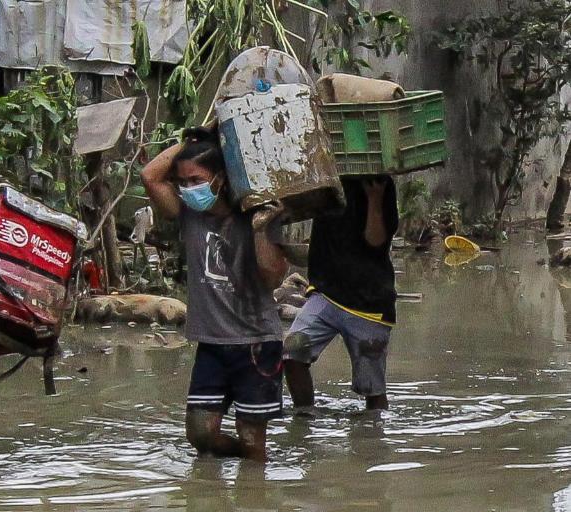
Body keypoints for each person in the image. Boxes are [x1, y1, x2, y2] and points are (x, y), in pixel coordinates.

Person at [141, 127, 289, 462]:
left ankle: (253, 480)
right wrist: (198, 141)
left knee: (252, 438)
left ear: (220, 178)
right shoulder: (189, 215)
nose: (188, 189)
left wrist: (262, 228)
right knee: (200, 434)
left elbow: (271, 277)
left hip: (255, 344)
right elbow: (149, 175)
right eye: (183, 182)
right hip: (211, 343)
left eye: (196, 180)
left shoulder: (257, 215)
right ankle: (250, 462)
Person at [283, 176, 399, 412]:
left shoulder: (379, 184)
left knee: (372, 389)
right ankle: (304, 417)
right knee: (293, 351)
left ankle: (373, 439)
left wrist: (374, 199)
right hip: (325, 294)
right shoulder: (322, 176)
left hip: (368, 305)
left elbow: (376, 242)